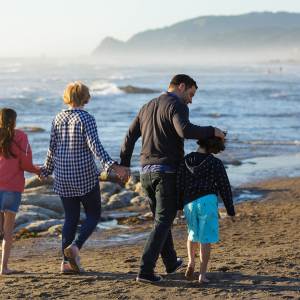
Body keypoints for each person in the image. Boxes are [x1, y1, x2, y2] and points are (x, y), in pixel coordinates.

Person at [120, 74, 226, 283]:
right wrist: (212, 130)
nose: (191, 100)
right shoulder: (176, 104)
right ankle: (145, 271)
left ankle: (170, 262)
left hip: (146, 172)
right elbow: (185, 130)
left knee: (162, 220)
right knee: (163, 221)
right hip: (166, 172)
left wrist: (124, 163)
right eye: (191, 94)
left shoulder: (147, 106)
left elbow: (129, 136)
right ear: (181, 86)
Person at [41, 81, 129, 274]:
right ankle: (76, 246)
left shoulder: (57, 118)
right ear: (86, 98)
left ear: (67, 97)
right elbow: (95, 146)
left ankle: (65, 263)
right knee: (93, 214)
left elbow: (52, 147)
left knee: (70, 218)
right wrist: (113, 166)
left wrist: (46, 170)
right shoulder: (86, 118)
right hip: (84, 175)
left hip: (63, 175)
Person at [177, 137, 235, 283]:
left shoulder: (186, 160)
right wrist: (230, 210)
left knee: (192, 234)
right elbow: (224, 186)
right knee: (205, 239)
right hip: (207, 202)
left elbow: (179, 183)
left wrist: (178, 206)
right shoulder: (215, 163)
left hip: (189, 203)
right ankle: (202, 275)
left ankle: (191, 262)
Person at [0, 108, 40, 275]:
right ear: (14, 121)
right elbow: (25, 164)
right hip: (12, 188)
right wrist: (38, 171)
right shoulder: (21, 136)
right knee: (8, 231)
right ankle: (4, 268)